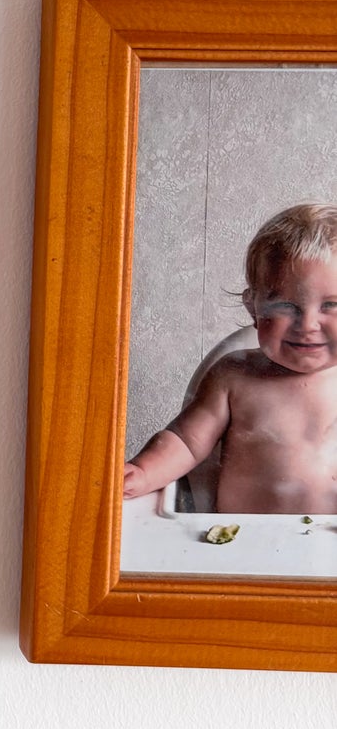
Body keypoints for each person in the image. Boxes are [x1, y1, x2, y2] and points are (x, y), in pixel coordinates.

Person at [124, 203, 337, 516]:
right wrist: (142, 473)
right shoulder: (234, 377)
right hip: (240, 550)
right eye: (286, 306)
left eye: (331, 305)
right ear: (253, 308)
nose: (307, 324)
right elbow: (185, 442)